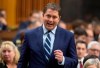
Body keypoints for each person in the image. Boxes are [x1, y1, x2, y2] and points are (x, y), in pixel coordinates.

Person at [17, 3, 78, 68]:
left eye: (54, 17)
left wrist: (63, 60)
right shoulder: (30, 35)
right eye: (48, 16)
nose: (50, 20)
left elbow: (74, 61)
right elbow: (22, 62)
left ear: (59, 19)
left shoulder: (68, 36)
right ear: (43, 15)